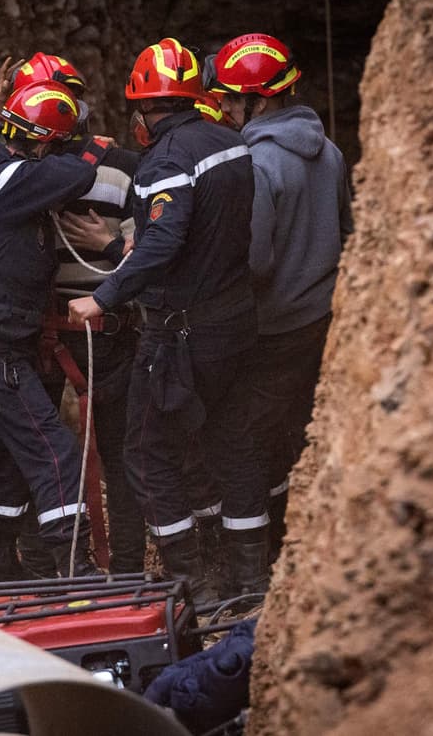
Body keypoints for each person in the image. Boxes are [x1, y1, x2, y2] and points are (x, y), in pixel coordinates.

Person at [68, 37, 267, 603]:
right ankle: (250, 582)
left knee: (147, 452)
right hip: (237, 322)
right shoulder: (231, 144)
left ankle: (195, 586)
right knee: (231, 444)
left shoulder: (166, 162)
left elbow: (163, 244)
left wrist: (101, 298)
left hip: (182, 331)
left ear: (145, 109)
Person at [0, 55, 148, 578]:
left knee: (25, 452)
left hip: (69, 334)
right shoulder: (37, 175)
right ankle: (69, 568)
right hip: (22, 339)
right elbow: (76, 174)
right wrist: (97, 148)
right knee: (55, 453)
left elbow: (151, 253)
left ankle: (3, 568)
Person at [207, 33, 353, 563]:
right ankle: (293, 542)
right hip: (320, 321)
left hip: (270, 329)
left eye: (228, 97)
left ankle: (255, 566)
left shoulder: (256, 162)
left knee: (239, 437)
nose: (222, 107)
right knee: (292, 434)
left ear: (259, 100)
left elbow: (256, 262)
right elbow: (346, 230)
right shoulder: (330, 151)